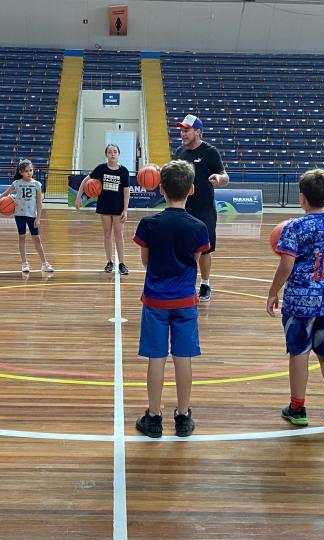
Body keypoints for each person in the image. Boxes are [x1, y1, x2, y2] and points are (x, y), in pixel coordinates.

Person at [132, 160, 210, 438]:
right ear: (191, 190)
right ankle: (183, 416)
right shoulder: (199, 227)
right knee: (182, 357)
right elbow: (197, 260)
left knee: (156, 357)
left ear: (161, 188)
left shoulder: (148, 223)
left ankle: (153, 417)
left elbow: (145, 261)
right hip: (185, 300)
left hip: (155, 299)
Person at [266, 169, 324, 426]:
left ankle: (297, 407)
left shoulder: (294, 227)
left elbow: (286, 266)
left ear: (302, 198)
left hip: (300, 302)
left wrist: (272, 291)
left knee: (299, 352)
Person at [173, 114, 229, 302]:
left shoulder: (210, 152)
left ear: (198, 131)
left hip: (204, 209)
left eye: (187, 130)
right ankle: (184, 281)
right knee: (181, 248)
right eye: (181, 130)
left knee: (205, 249)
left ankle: (205, 283)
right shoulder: (179, 152)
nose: (183, 133)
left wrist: (220, 179)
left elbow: (225, 176)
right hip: (182, 208)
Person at [75, 144, 131, 275]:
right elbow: (85, 180)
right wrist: (79, 197)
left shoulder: (124, 171)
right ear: (106, 154)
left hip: (118, 207)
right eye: (110, 152)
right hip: (104, 206)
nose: (112, 154)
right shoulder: (101, 168)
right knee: (107, 234)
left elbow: (127, 192)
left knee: (119, 235)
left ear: (118, 154)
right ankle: (109, 262)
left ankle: (122, 263)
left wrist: (125, 210)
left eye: (115, 152)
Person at [0, 159, 53, 273]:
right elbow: (5, 194)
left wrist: (38, 217)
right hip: (19, 215)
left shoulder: (37, 184)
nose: (29, 173)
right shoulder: (17, 183)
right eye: (26, 171)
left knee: (37, 239)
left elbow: (39, 203)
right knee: (22, 238)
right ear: (21, 172)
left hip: (32, 216)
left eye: (31, 170)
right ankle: (24, 263)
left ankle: (44, 263)